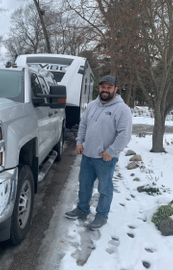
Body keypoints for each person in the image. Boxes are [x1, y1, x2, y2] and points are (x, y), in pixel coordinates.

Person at [65, 75, 132, 230]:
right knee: (84, 185)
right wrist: (79, 141)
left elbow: (125, 134)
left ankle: (102, 215)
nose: (105, 90)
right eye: (103, 87)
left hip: (105, 157)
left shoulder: (122, 109)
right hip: (87, 155)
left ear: (115, 89)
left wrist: (112, 151)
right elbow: (83, 124)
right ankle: (82, 210)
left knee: (104, 188)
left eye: (109, 87)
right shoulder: (92, 105)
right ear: (99, 88)